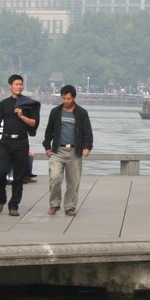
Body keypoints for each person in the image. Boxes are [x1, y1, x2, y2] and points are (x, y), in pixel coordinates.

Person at [0, 74, 40, 217]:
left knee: (19, 176)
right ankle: (0, 200)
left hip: (21, 142)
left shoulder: (28, 104)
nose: (19, 87)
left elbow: (34, 124)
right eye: (16, 84)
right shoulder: (3, 104)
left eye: (21, 84)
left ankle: (14, 205)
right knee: (1, 172)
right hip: (6, 142)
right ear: (10, 86)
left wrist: (22, 116)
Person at [42, 84, 94, 216]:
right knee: (54, 178)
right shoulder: (55, 112)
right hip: (58, 151)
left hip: (74, 152)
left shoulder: (82, 113)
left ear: (74, 98)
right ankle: (54, 204)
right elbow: (49, 131)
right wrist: (47, 147)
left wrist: (87, 147)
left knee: (73, 182)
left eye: (68, 99)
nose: (66, 101)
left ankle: (69, 206)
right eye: (63, 98)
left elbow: (87, 132)